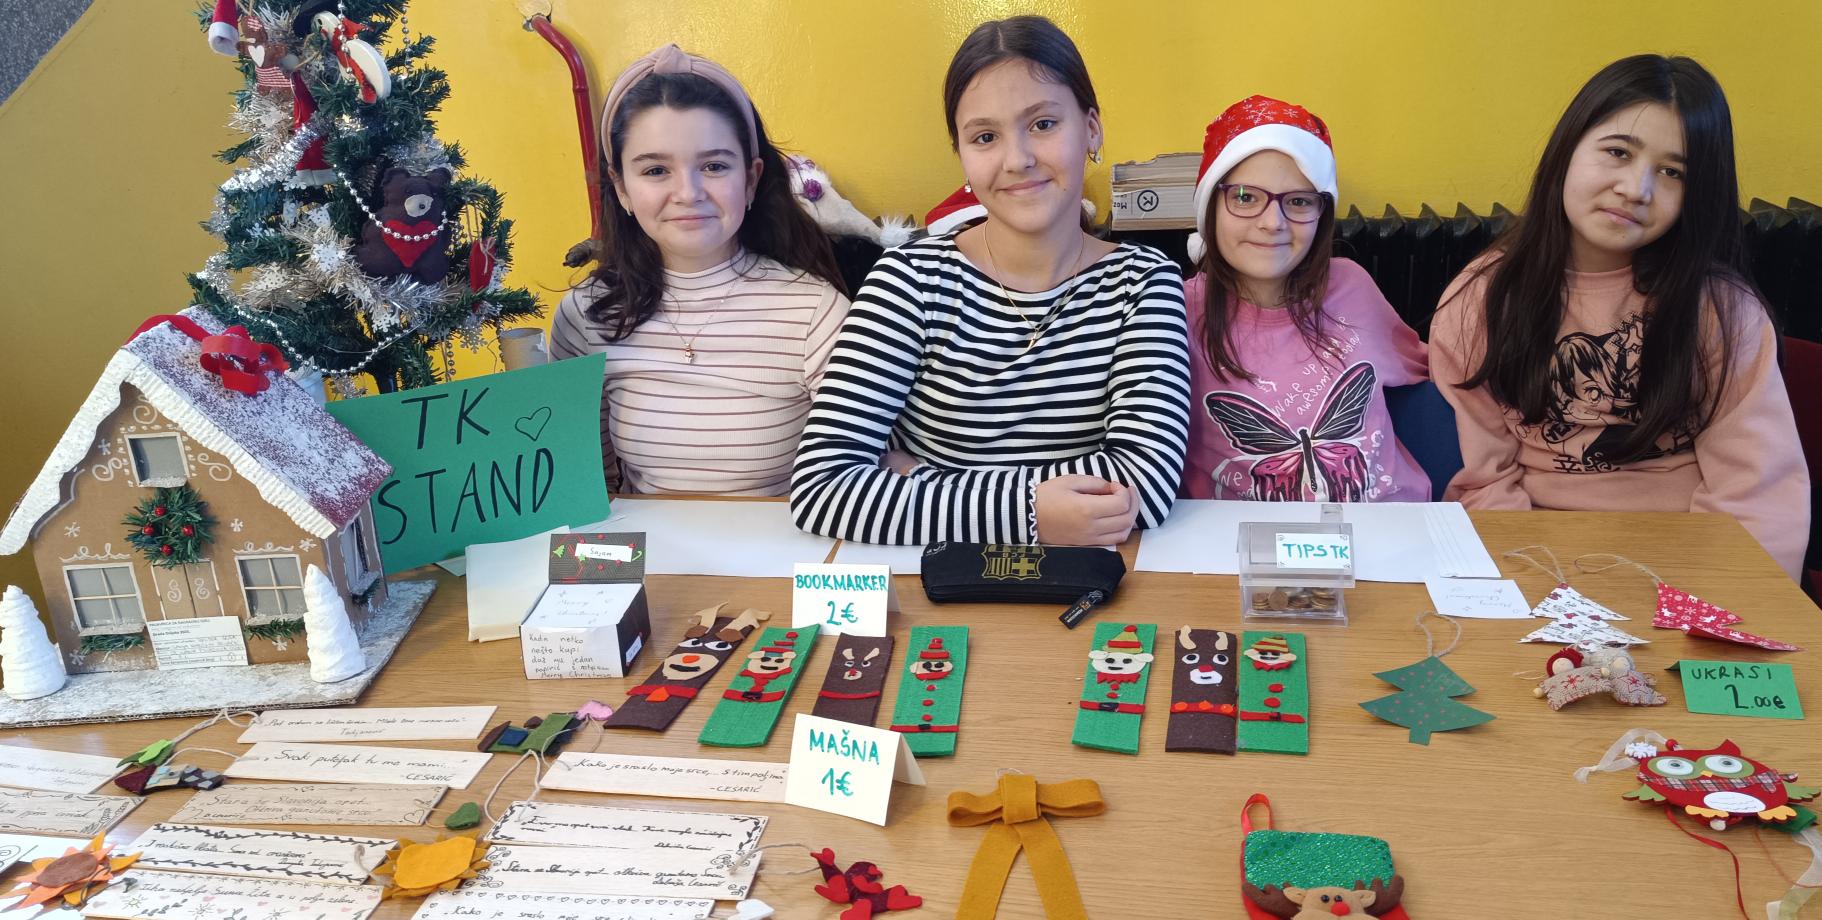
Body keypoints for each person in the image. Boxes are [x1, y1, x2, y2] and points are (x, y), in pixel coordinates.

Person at [790, 15, 1190, 546]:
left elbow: (1147, 485)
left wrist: (918, 477)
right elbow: (821, 486)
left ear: (1091, 128)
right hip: (928, 585)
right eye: (985, 137)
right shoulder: (908, 280)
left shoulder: (1144, 282)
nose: (1018, 160)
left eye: (1043, 124)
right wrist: (1032, 512)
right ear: (961, 154)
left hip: (1091, 583)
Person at [1429, 55, 1808, 578]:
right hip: (1535, 554)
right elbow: (1484, 479)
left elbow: (1757, 496)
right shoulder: (1481, 299)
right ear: (1567, 149)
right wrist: (1531, 580)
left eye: (1672, 172)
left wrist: (1713, 599)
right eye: (1617, 152)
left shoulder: (1722, 310)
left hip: (1689, 556)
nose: (1636, 189)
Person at [549, 44, 850, 496]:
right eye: (655, 170)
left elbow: (851, 482)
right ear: (621, 187)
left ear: (750, 179)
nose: (688, 193)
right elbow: (591, 493)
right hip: (644, 541)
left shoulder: (817, 313)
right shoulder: (583, 317)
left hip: (779, 540)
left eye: (713, 166)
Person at [1181, 95, 1429, 502]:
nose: (1272, 222)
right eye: (1244, 196)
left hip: (1392, 522)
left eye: (1298, 201)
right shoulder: (1177, 311)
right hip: (1249, 534)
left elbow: (1438, 370)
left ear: (1321, 213)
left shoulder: (1353, 288)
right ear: (1210, 206)